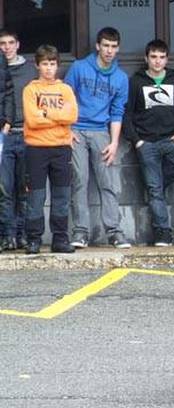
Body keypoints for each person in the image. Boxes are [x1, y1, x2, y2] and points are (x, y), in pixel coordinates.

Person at [122, 39, 174, 247]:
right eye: (153, 57)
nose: (157, 61)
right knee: (155, 191)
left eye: (161, 57)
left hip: (171, 139)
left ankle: (157, 181)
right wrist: (137, 141)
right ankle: (162, 233)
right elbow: (126, 114)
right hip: (146, 143)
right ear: (146, 58)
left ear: (167, 59)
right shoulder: (136, 81)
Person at [64, 26, 131, 249]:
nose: (109, 51)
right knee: (79, 181)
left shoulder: (121, 78)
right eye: (106, 46)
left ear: (118, 48)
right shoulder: (79, 67)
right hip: (76, 132)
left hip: (102, 132)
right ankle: (80, 232)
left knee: (107, 183)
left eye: (113, 47)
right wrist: (67, 129)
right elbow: (65, 98)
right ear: (97, 46)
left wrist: (114, 143)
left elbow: (117, 112)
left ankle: (114, 232)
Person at [22, 44, 78, 254]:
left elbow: (71, 116)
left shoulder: (65, 89)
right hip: (36, 149)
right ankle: (34, 240)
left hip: (61, 148)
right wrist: (56, 117)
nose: (48, 68)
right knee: (36, 197)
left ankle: (60, 239)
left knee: (61, 195)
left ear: (57, 66)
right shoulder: (30, 89)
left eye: (52, 64)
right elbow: (32, 119)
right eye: (44, 63)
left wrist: (45, 113)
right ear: (37, 65)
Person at [0, 29, 29, 252]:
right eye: (2, 43)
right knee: (5, 189)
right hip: (5, 135)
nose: (6, 47)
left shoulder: (30, 69)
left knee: (24, 189)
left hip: (28, 133)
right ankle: (8, 235)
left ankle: (22, 234)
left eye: (11, 43)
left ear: (18, 45)